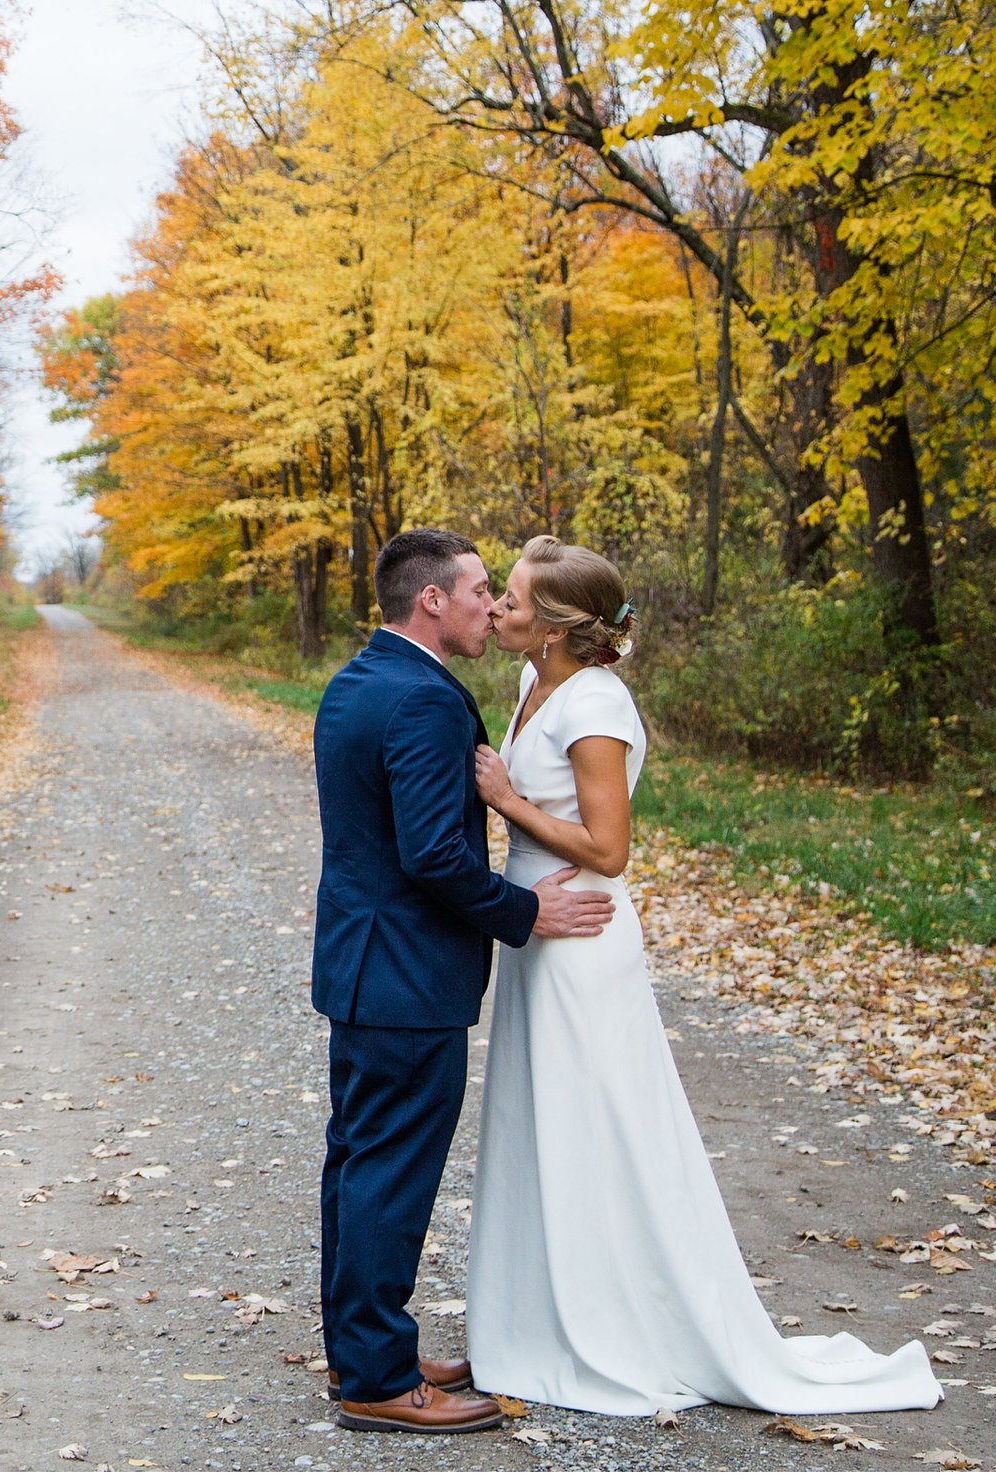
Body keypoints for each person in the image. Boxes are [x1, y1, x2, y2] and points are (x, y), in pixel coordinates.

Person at [464, 536, 941, 1416]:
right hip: (538, 932)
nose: (496, 609)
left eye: (516, 602)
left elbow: (611, 848)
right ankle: (538, 1319)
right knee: (544, 1124)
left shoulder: (598, 704)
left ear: (563, 627)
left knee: (602, 1125)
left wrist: (508, 802)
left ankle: (627, 1325)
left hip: (585, 938)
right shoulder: (538, 681)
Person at [310, 528, 615, 1434]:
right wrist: (528, 915)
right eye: (482, 589)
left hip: (364, 968)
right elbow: (435, 854)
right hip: (406, 977)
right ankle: (374, 1375)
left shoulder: (360, 678)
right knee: (388, 1172)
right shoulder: (425, 703)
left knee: (359, 1164)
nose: (493, 603)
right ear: (432, 601)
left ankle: (363, 1350)